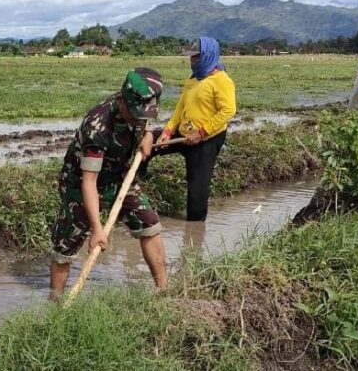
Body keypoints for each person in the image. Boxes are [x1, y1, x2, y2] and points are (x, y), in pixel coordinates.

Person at [49, 68, 168, 298]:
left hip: (121, 177)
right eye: (135, 115)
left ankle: (164, 292)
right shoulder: (98, 126)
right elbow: (89, 182)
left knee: (149, 224)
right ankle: (55, 304)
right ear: (122, 101)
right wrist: (96, 228)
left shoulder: (143, 105)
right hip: (81, 183)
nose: (139, 119)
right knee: (65, 245)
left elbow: (147, 120)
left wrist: (148, 135)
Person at [151, 36, 236, 221]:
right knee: (148, 141)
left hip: (206, 140)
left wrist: (201, 133)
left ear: (208, 56)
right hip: (183, 133)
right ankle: (135, 184)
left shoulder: (221, 80)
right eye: (191, 57)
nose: (192, 60)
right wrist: (167, 132)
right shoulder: (193, 78)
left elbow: (228, 110)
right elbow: (181, 107)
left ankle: (195, 233)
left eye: (196, 57)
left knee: (197, 191)